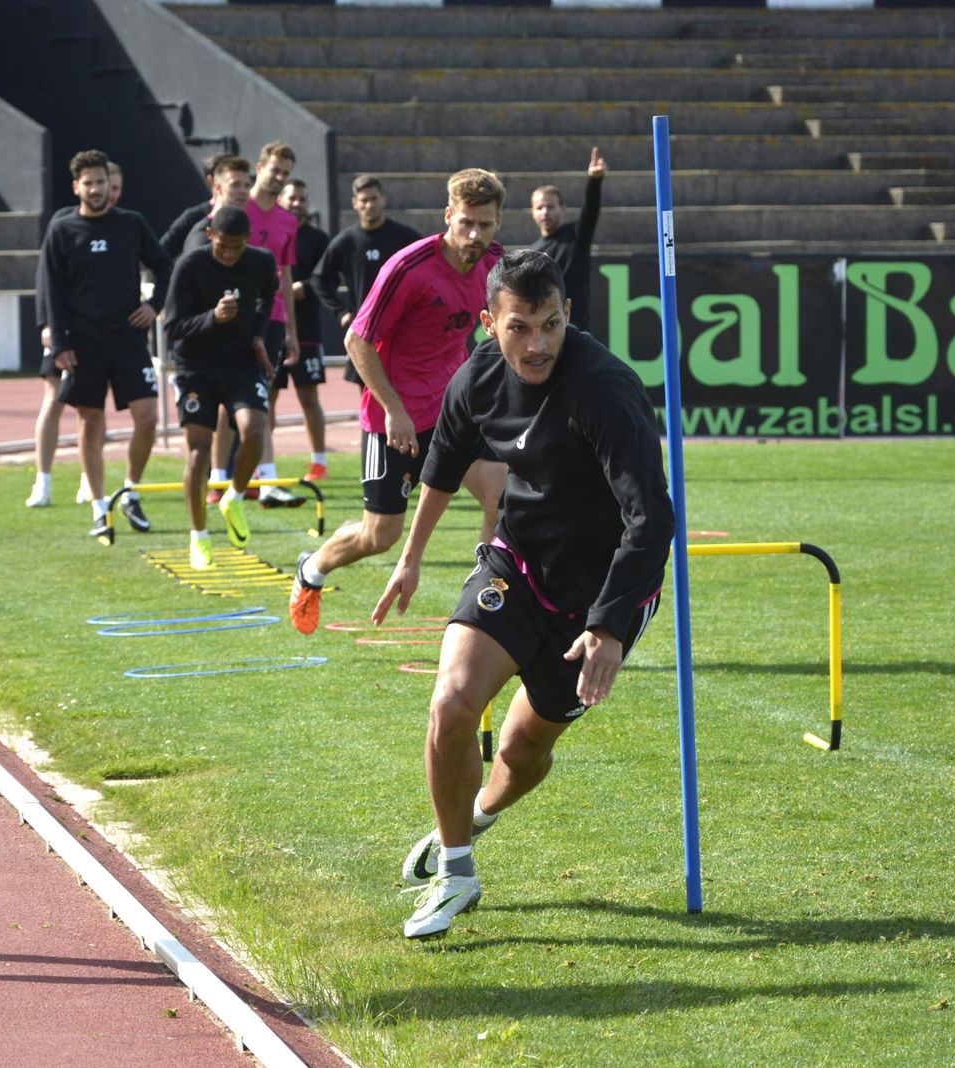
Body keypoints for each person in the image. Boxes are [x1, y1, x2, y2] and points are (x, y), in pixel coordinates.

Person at [372, 250, 673, 939]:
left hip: (600, 590)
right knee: (451, 701)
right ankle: (457, 873)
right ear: (489, 324)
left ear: (568, 315)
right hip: (520, 563)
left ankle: (475, 815)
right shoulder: (477, 376)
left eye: (551, 324)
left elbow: (651, 519)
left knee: (520, 752)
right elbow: (443, 467)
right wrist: (410, 559)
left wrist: (609, 626)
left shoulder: (605, 389)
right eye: (519, 328)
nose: (537, 344)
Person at [289, 168, 509, 636]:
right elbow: (356, 341)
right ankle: (312, 569)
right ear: (448, 216)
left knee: (502, 496)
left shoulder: (497, 264)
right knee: (380, 535)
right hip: (394, 416)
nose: (474, 234)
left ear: (498, 223)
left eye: (485, 225)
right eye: (466, 222)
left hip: (453, 410)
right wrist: (395, 410)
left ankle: (486, 603)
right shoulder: (409, 268)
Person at [40, 148, 173, 539]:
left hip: (129, 340)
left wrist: (154, 305)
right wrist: (61, 343)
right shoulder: (62, 230)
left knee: (148, 418)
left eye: (101, 182)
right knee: (89, 423)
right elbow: (52, 290)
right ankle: (100, 508)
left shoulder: (131, 224)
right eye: (89, 183)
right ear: (76, 187)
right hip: (83, 345)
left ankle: (130, 491)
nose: (96, 189)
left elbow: (164, 264)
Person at [165, 206, 277, 568]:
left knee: (255, 430)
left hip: (240, 363)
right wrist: (212, 318)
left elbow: (268, 297)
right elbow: (173, 327)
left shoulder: (260, 262)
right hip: (195, 366)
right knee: (198, 452)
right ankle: (198, 537)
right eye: (223, 246)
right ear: (210, 234)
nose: (229, 254)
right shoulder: (190, 266)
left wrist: (258, 336)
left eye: (237, 247)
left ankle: (234, 497)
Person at [211, 142, 304, 509]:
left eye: (285, 173)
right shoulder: (234, 209)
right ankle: (218, 478)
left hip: (274, 320)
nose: (279, 178)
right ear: (259, 168)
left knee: (264, 399)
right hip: (233, 317)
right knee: (224, 398)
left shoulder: (288, 221)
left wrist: (292, 331)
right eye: (274, 170)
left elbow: (285, 275)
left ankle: (266, 481)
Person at [27, 160, 123, 508]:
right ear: (81, 185)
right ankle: (43, 481)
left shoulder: (123, 225)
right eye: (97, 183)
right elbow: (47, 277)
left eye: (112, 186)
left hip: (101, 336)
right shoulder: (64, 223)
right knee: (53, 401)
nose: (104, 192)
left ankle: (89, 479)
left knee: (94, 407)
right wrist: (48, 324)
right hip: (64, 329)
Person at [310, 174, 421, 393]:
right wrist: (340, 311)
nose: (369, 204)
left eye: (374, 198)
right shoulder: (346, 241)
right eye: (364, 200)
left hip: (402, 332)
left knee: (411, 397)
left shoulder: (405, 237)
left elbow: (430, 268)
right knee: (370, 401)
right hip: (367, 335)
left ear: (383, 199)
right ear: (355, 203)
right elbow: (319, 279)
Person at [276, 177, 331, 482]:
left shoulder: (317, 238)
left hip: (308, 329)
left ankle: (319, 463)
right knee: (266, 399)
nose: (297, 204)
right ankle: (263, 465)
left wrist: (302, 288)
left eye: (302, 198)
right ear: (281, 199)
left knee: (309, 396)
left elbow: (326, 278)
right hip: (271, 328)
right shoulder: (270, 230)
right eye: (292, 198)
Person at [528, 146, 605, 331]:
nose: (545, 212)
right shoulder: (532, 251)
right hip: (545, 330)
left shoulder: (576, 236)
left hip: (576, 328)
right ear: (532, 212)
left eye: (550, 206)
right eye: (539, 207)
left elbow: (590, 212)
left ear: (563, 208)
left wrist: (594, 181)